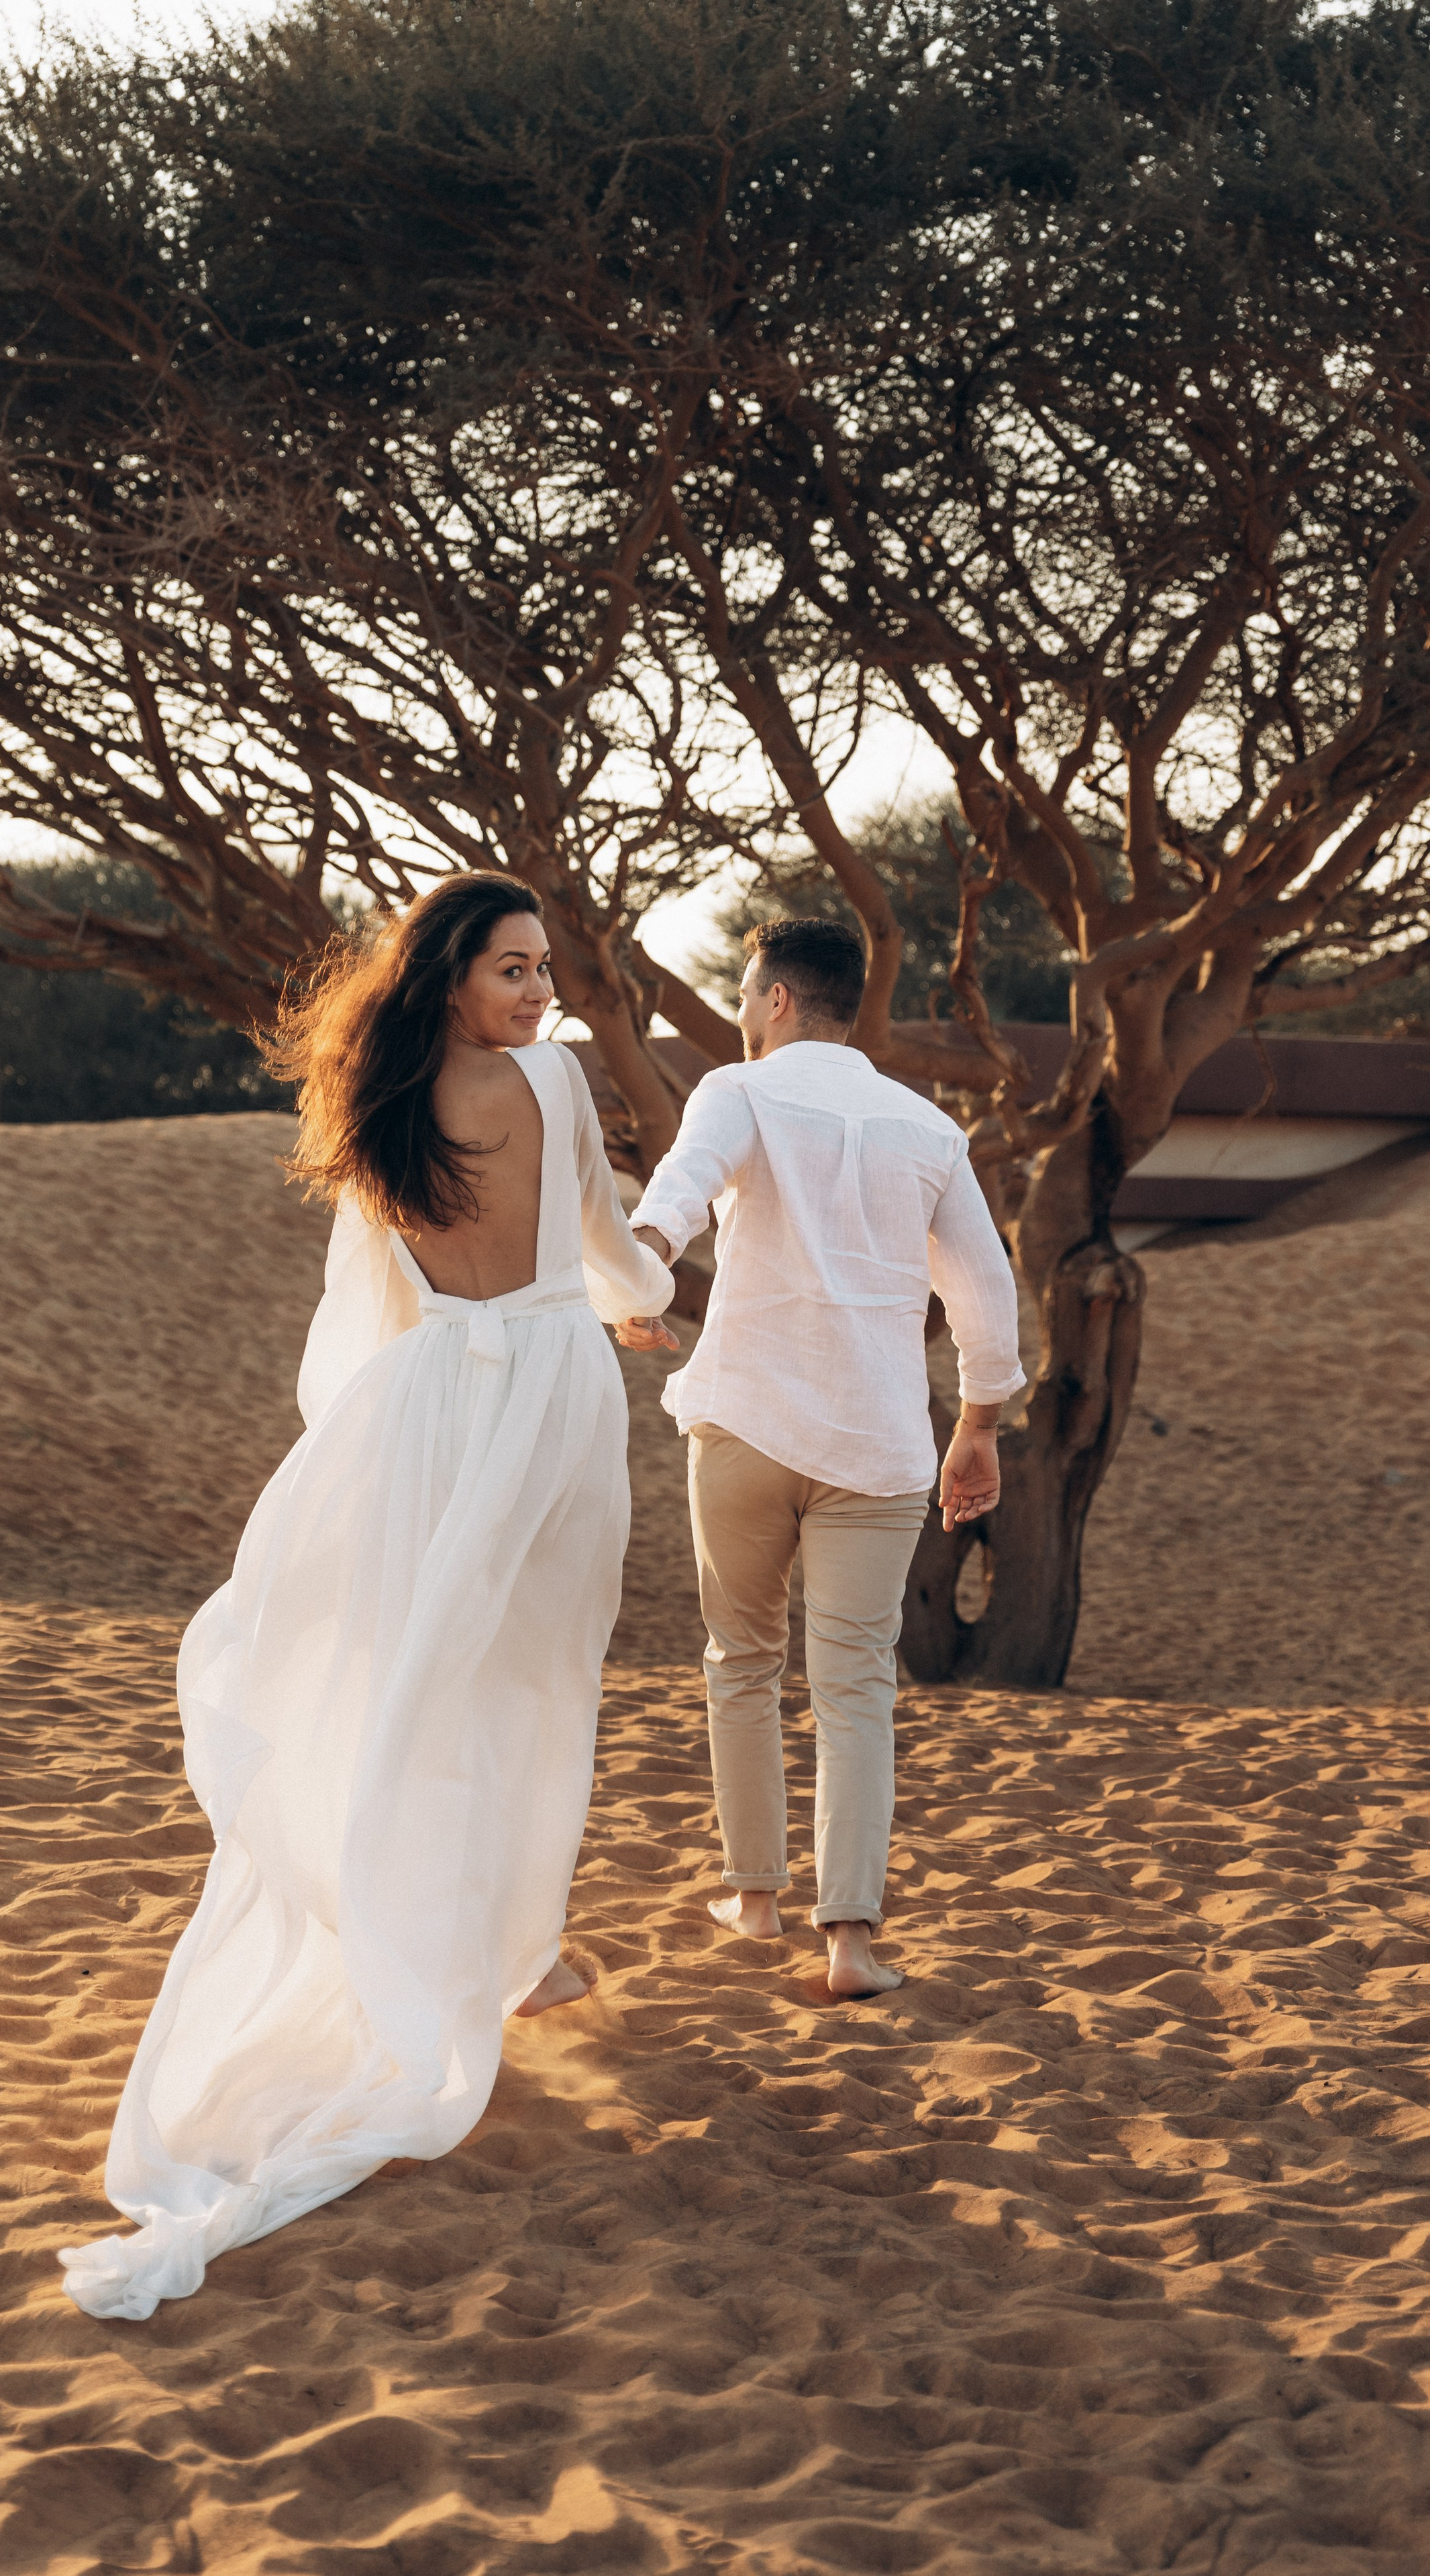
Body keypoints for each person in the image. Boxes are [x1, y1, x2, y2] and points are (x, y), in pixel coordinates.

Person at [60, 875, 675, 2320]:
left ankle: (475, 1944)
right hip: (546, 1394)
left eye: (543, 970)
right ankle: (505, 1957)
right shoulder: (553, 1084)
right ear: (452, 973)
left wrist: (367, 1440)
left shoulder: (371, 1100)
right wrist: (645, 1296)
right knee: (528, 1683)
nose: (541, 993)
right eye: (514, 969)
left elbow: (364, 1315)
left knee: (425, 1679)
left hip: (419, 1406)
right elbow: (601, 1241)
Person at [618, 918, 1024, 1999]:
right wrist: (980, 1423)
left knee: (742, 1661)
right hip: (878, 1447)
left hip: (745, 1424)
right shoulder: (929, 1128)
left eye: (747, 999)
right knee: (855, 1691)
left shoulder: (739, 1092)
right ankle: (849, 1942)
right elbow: (984, 1289)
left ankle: (754, 1899)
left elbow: (679, 1193)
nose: (744, 1018)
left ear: (779, 999)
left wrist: (638, 1278)